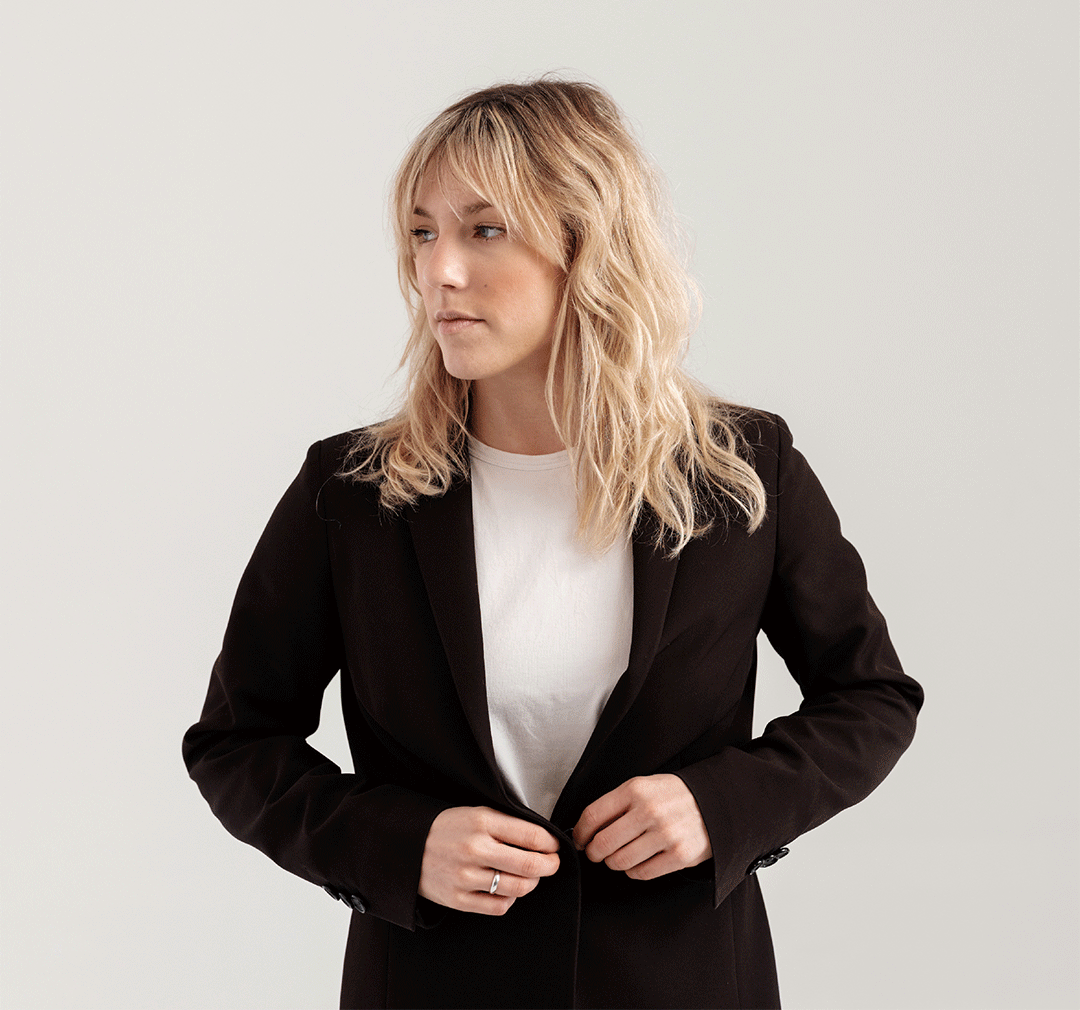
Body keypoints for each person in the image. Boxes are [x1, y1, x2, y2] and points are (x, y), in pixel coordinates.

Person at [183, 78, 923, 1010]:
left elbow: (870, 698)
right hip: (432, 990)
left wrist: (721, 807)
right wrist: (398, 846)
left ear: (588, 244)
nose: (439, 270)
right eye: (422, 233)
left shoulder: (742, 471)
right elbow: (237, 741)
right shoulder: (351, 493)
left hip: (681, 985)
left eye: (484, 230)